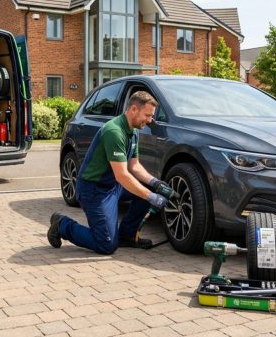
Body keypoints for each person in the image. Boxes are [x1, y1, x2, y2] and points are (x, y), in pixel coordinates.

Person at [47, 91, 179, 254]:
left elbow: (135, 166)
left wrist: (156, 184)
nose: (150, 120)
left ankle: (127, 236)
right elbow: (122, 175)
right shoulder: (114, 132)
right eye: (147, 115)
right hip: (94, 190)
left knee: (150, 189)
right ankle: (62, 225)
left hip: (112, 186)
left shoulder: (133, 130)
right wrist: (151, 197)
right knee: (106, 245)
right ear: (133, 110)